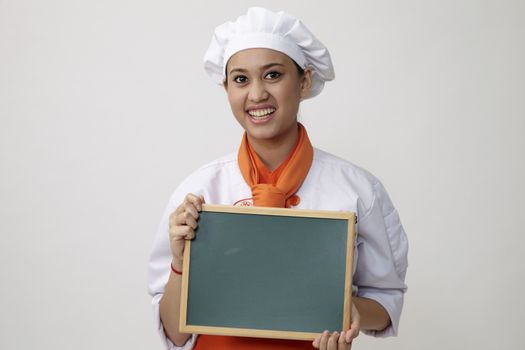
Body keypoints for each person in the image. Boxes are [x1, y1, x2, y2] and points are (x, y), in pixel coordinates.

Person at [148, 7, 408, 350]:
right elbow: (175, 333)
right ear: (227, 88)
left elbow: (386, 302)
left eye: (272, 75)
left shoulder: (358, 190)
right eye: (241, 79)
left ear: (304, 80)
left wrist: (346, 311)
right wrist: (182, 263)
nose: (256, 95)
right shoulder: (198, 192)